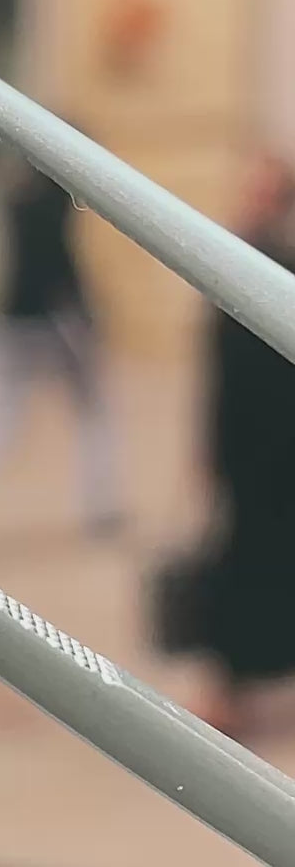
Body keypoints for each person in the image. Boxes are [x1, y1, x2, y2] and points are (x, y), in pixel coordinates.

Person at [0, 155, 123, 541]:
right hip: (48, 323)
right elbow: (58, 265)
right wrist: (81, 316)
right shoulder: (49, 200)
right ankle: (103, 504)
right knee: (88, 411)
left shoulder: (17, 195)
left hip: (15, 320)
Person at [196, 154, 295, 738]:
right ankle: (230, 691)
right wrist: (206, 453)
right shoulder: (229, 263)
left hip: (281, 448)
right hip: (246, 452)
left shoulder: (275, 270)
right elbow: (218, 376)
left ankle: (235, 689)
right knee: (238, 564)